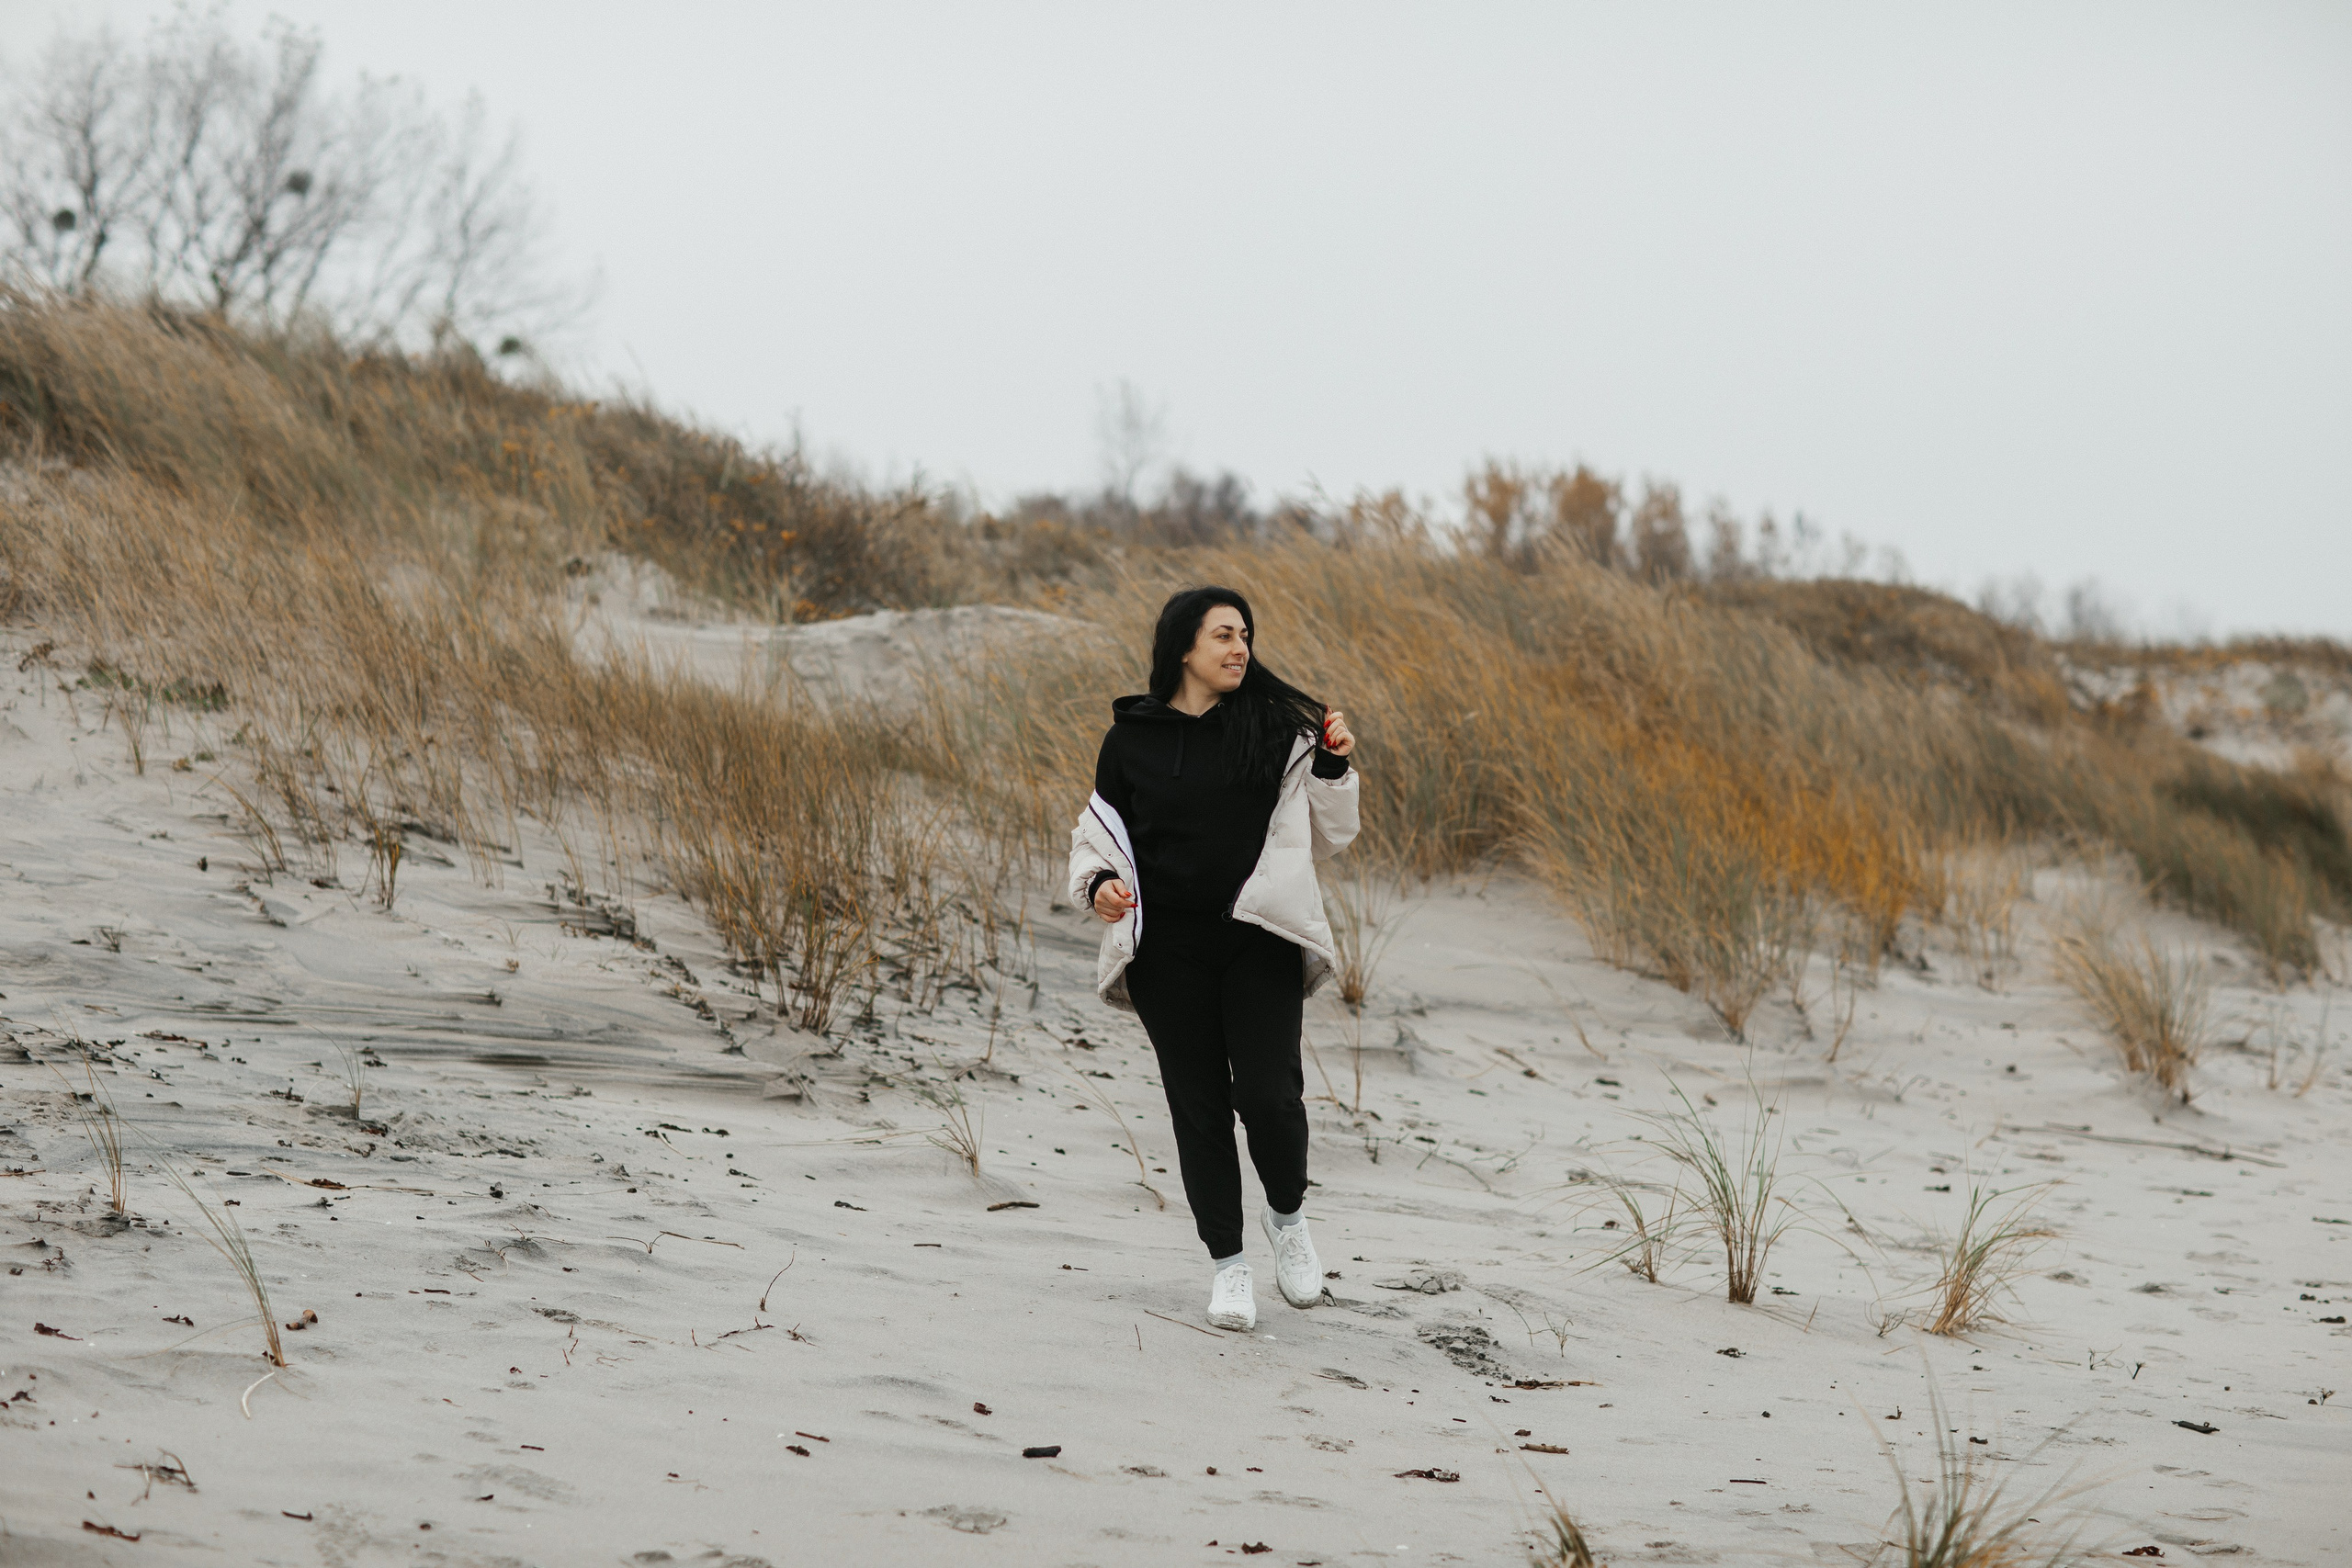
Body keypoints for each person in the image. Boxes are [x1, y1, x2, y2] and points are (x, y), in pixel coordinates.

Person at [1065, 585, 1360, 1330]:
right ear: (1184, 647)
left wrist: (1332, 767)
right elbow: (1096, 839)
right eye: (1224, 635)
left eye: (1246, 635)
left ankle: (1287, 1219)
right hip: (1167, 951)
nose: (1240, 648)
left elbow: (1333, 836)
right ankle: (1229, 1268)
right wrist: (1100, 886)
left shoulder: (1273, 727)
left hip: (1258, 939)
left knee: (1269, 1097)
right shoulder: (1130, 738)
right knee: (1197, 1107)